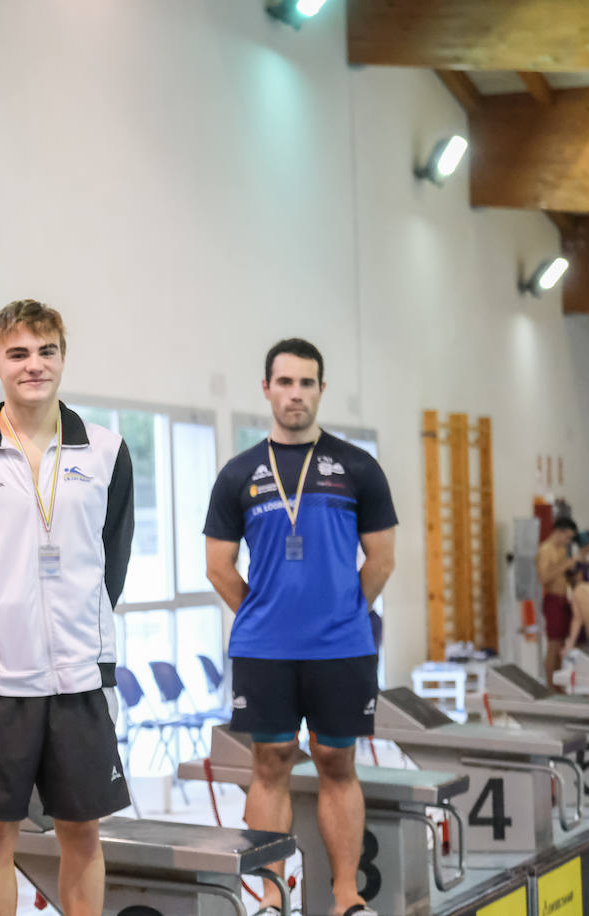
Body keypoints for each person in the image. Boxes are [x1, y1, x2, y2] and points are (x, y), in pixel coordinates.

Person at [0, 299, 134, 916]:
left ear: (62, 357)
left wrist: (77, 621)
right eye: (18, 353)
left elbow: (111, 561)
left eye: (46, 351)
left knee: (83, 832)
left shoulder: (105, 452)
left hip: (80, 674)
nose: (34, 365)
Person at [203, 338, 396, 916]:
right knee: (271, 763)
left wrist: (342, 614)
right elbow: (218, 567)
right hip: (266, 652)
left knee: (338, 762)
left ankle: (345, 895)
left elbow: (381, 560)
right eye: (284, 382)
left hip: (342, 650)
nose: (295, 394)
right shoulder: (239, 473)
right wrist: (267, 618)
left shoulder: (358, 468)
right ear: (266, 389)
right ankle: (270, 898)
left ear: (320, 390)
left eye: (306, 383)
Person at [536, 517, 589, 689]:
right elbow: (543, 578)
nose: (568, 541)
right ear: (559, 531)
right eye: (567, 537)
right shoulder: (546, 549)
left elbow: (562, 574)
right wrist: (566, 564)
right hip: (553, 599)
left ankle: (558, 687)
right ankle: (551, 688)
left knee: (560, 645)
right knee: (554, 644)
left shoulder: (560, 550)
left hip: (563, 599)